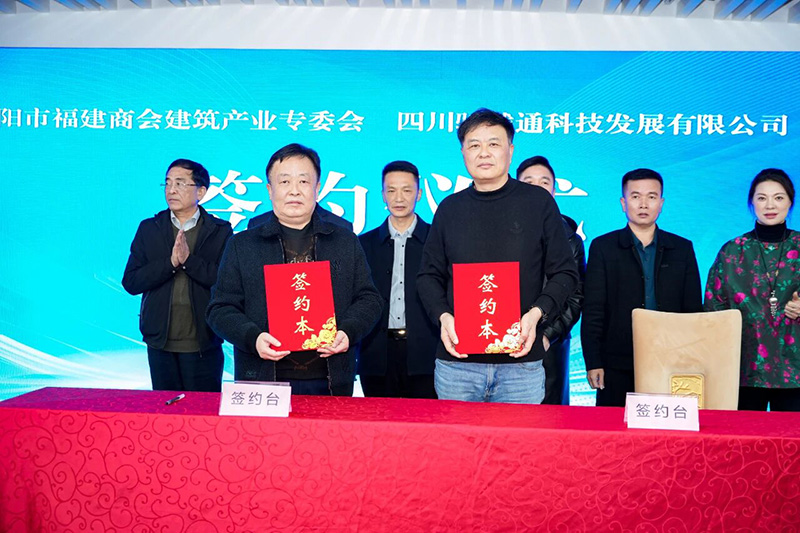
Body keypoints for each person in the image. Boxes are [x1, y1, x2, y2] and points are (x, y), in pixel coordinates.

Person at [416, 108, 578, 404]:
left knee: (519, 436)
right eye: (474, 145)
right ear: (463, 152)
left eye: (493, 143)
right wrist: (443, 316)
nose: (484, 153)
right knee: (456, 437)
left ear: (510, 150)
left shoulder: (538, 203)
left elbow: (565, 273)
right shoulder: (449, 209)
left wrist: (537, 314)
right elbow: (428, 276)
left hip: (521, 364)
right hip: (458, 365)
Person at [206, 143, 381, 396]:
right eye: (285, 182)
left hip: (331, 379)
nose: (294, 190)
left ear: (317, 188)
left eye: (303, 181)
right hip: (263, 379)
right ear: (270, 190)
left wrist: (348, 331)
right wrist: (253, 338)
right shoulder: (242, 245)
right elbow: (220, 309)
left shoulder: (344, 241)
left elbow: (369, 299)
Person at [581, 168, 702, 407]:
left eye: (651, 197)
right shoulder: (603, 247)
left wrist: (693, 361)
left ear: (661, 203)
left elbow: (693, 311)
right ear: (623, 203)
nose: (643, 204)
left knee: (668, 427)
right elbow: (593, 309)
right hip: (616, 362)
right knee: (615, 427)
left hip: (671, 360)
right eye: (635, 196)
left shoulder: (682, 248)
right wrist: (594, 361)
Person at [122, 159, 232, 392]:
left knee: (203, 410)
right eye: (168, 183)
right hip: (159, 342)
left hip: (204, 341)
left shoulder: (220, 231)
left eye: (180, 183)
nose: (171, 190)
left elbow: (224, 281)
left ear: (200, 192)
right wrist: (171, 263)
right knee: (166, 409)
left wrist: (188, 262)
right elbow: (131, 282)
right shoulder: (149, 228)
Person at [704, 168, 800, 411]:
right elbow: (712, 309)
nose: (770, 205)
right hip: (743, 368)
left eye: (779, 197)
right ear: (751, 203)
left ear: (790, 202)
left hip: (795, 368)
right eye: (762, 198)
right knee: (741, 434)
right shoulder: (732, 251)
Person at [357, 161, 438, 399]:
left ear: (419, 194)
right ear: (383, 195)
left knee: (425, 419)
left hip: (425, 352)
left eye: (407, 190)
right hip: (376, 354)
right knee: (379, 419)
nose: (399, 198)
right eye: (391, 190)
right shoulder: (364, 244)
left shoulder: (436, 241)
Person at [516, 155, 585, 405]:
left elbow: (575, 297)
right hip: (500, 345)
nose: (537, 188)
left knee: (549, 419)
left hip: (549, 347)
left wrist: (547, 335)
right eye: (529, 182)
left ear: (554, 191)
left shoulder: (570, 240)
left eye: (544, 182)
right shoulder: (495, 230)